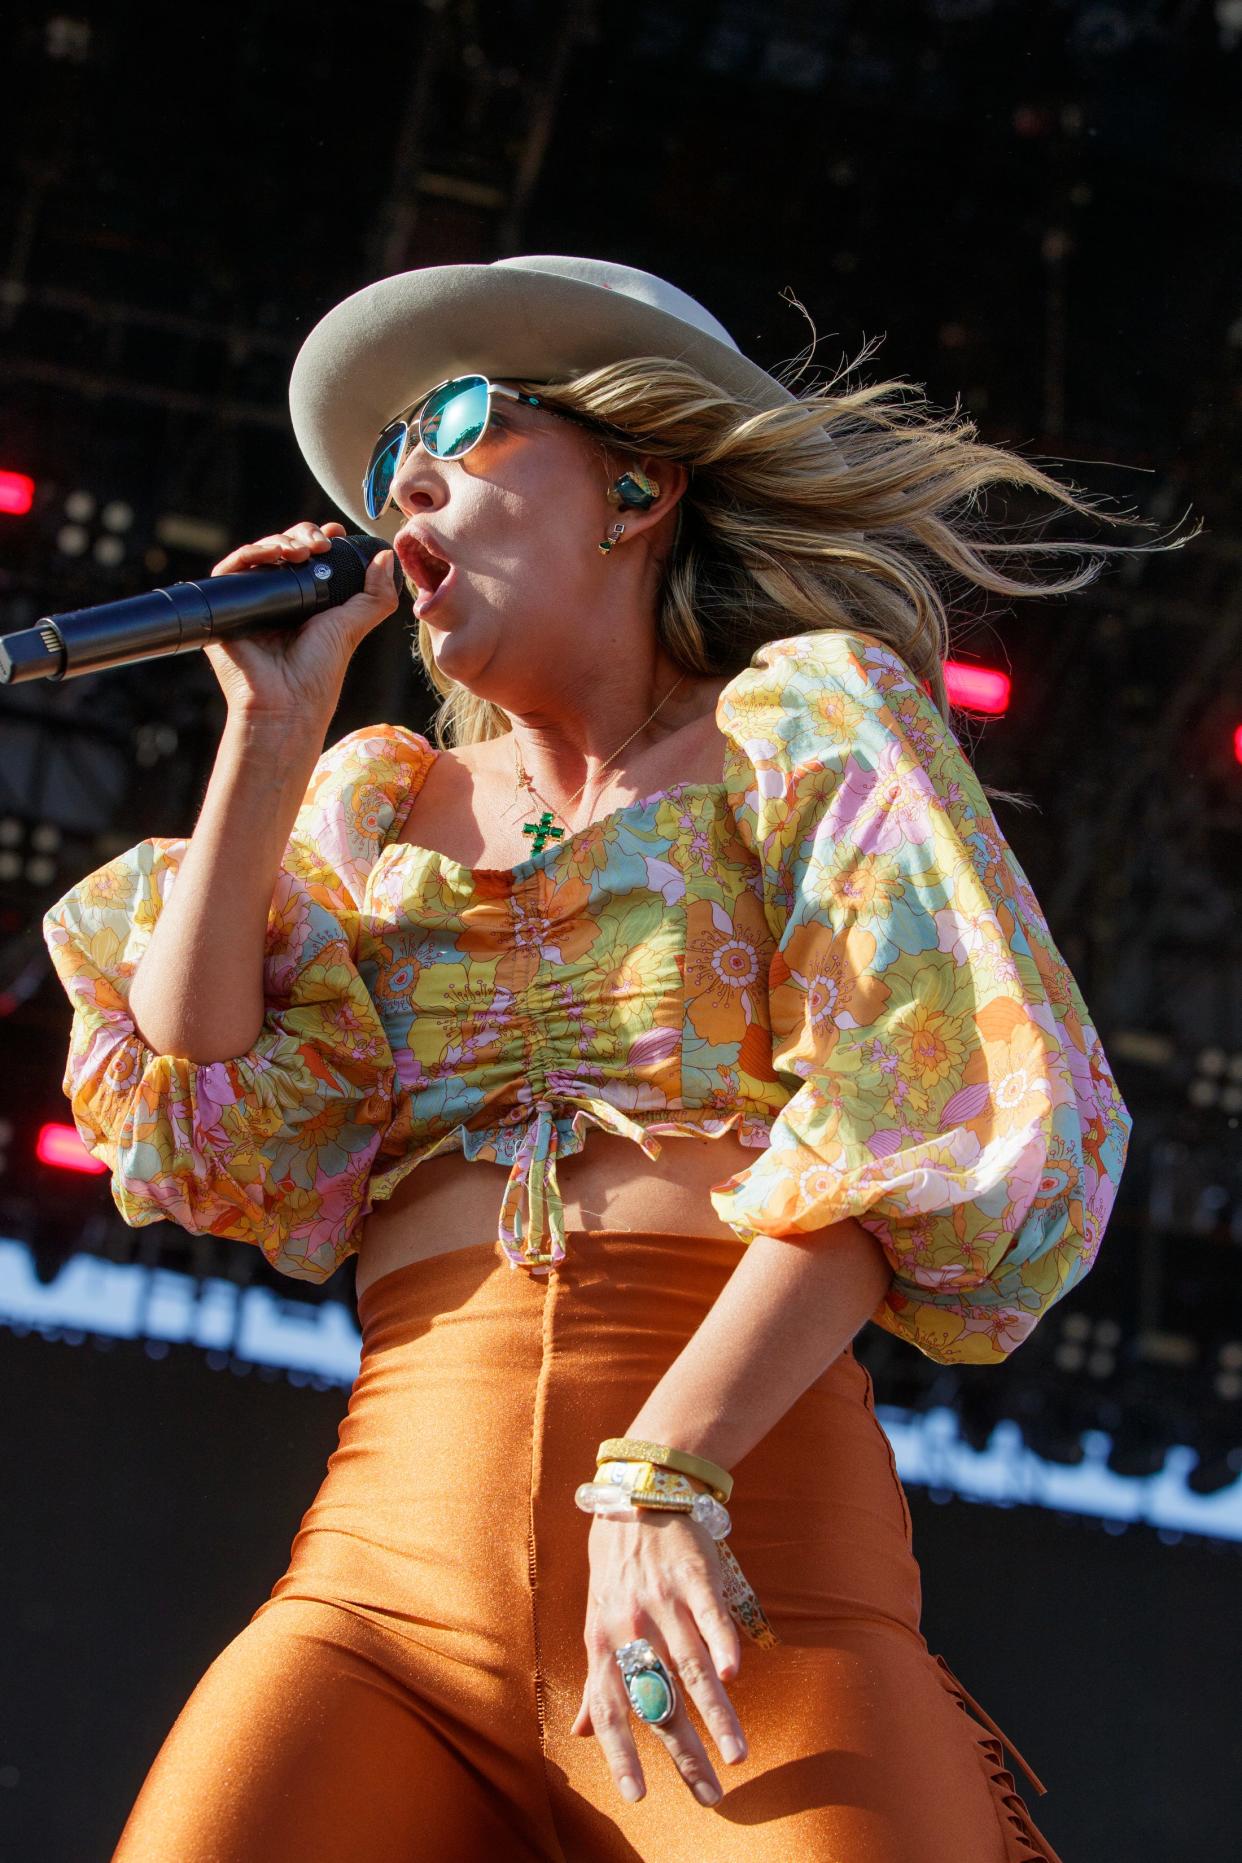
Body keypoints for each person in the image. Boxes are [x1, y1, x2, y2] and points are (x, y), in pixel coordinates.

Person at [42, 255, 1179, 1861]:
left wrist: (669, 1467)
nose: (400, 481)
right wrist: (270, 726)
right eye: (381, 474)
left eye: (452, 425)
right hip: (385, 1585)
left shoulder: (802, 729)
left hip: (739, 1560)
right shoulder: (369, 808)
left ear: (638, 484)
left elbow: (917, 1116)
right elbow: (198, 1083)